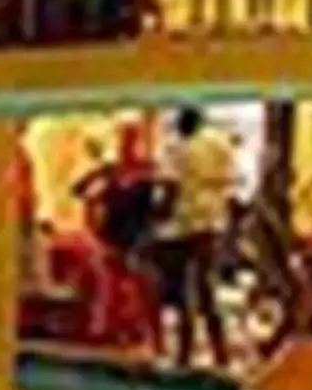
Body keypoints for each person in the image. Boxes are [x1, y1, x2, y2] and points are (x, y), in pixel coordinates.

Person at [155, 106, 238, 370]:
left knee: (184, 291)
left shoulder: (176, 147)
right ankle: (220, 352)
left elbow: (170, 186)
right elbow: (229, 181)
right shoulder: (219, 144)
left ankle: (185, 353)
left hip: (185, 223)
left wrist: (158, 219)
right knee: (206, 288)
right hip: (213, 221)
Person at [73, 124, 165, 350]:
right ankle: (111, 331)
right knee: (111, 284)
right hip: (111, 235)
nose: (127, 145)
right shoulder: (112, 171)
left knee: (144, 288)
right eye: (124, 140)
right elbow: (78, 189)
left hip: (137, 237)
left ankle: (153, 338)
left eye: (131, 139)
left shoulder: (147, 171)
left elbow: (158, 203)